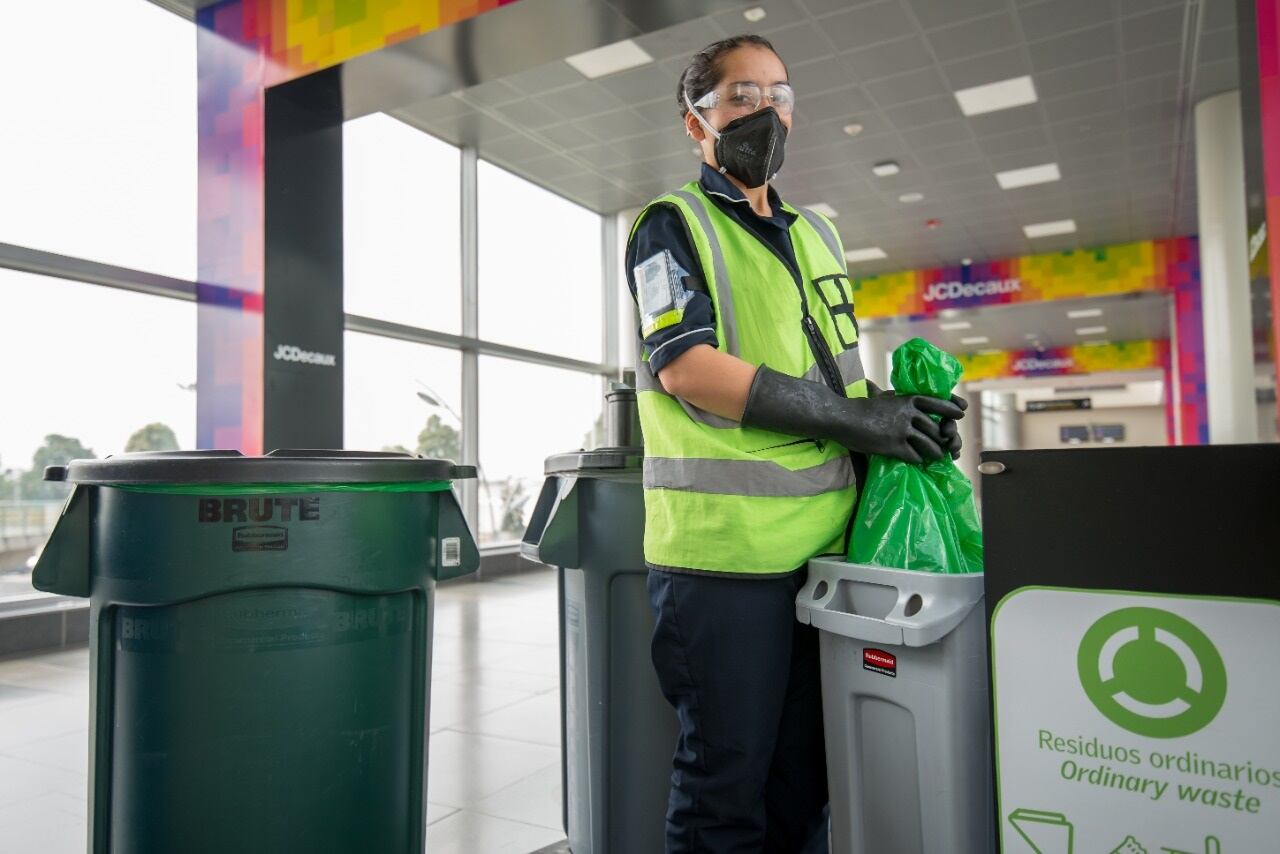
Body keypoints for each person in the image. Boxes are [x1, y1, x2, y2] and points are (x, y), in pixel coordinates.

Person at [624, 35, 967, 853]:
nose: (766, 111)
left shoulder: (820, 234)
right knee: (724, 788)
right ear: (695, 122)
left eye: (779, 93)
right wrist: (856, 421)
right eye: (741, 95)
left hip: (828, 553)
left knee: (807, 782)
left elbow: (832, 375)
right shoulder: (672, 225)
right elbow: (687, 368)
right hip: (725, 563)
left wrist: (892, 412)